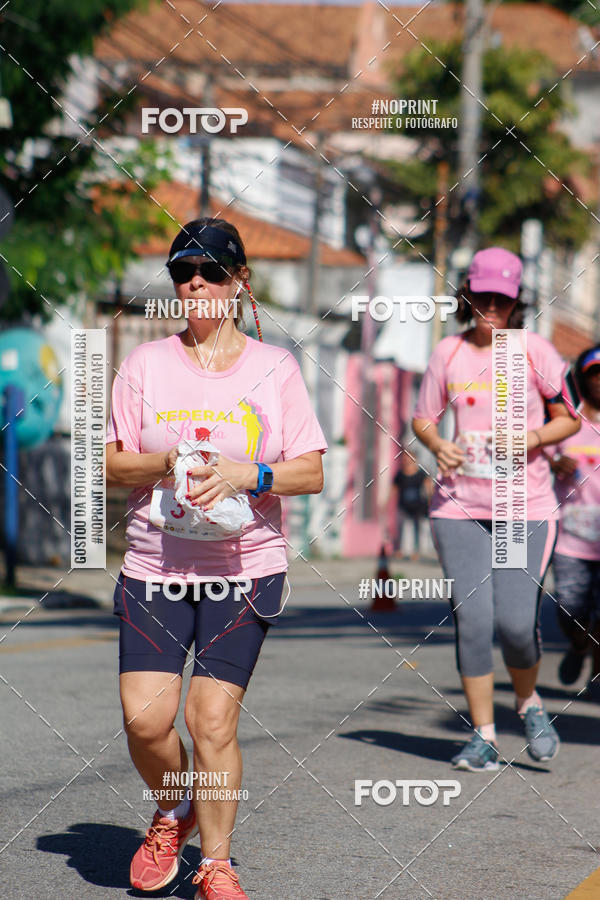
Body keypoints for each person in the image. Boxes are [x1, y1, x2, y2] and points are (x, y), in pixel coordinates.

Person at [106, 217, 327, 898]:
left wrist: (249, 475)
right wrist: (163, 460)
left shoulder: (274, 368)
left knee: (209, 717)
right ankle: (174, 810)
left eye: (210, 272)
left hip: (245, 568)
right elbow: (112, 464)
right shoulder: (145, 365)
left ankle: (216, 864)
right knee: (145, 720)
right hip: (155, 567)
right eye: (182, 273)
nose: (195, 283)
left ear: (239, 283)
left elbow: (310, 472)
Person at [412, 247, 580, 772]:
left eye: (502, 299)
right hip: (459, 506)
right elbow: (422, 418)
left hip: (523, 507)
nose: (491, 307)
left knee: (513, 622)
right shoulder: (448, 353)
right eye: (482, 296)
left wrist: (530, 437)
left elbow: (569, 417)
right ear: (468, 295)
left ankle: (528, 702)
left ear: (515, 302)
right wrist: (440, 446)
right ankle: (482, 734)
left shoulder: (535, 350)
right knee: (474, 618)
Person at [550, 345, 600, 701]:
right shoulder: (564, 425)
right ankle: (579, 646)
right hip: (570, 539)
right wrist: (554, 463)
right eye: (595, 374)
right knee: (570, 610)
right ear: (582, 379)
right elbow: (535, 459)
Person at [390, 450, 431, 560]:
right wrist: (386, 503)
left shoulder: (421, 473)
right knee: (400, 528)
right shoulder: (400, 474)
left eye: (409, 457)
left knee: (417, 529)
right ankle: (398, 550)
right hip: (403, 505)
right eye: (404, 457)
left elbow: (428, 488)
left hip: (418, 506)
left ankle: (416, 551)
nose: (406, 459)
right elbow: (393, 489)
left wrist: (430, 501)